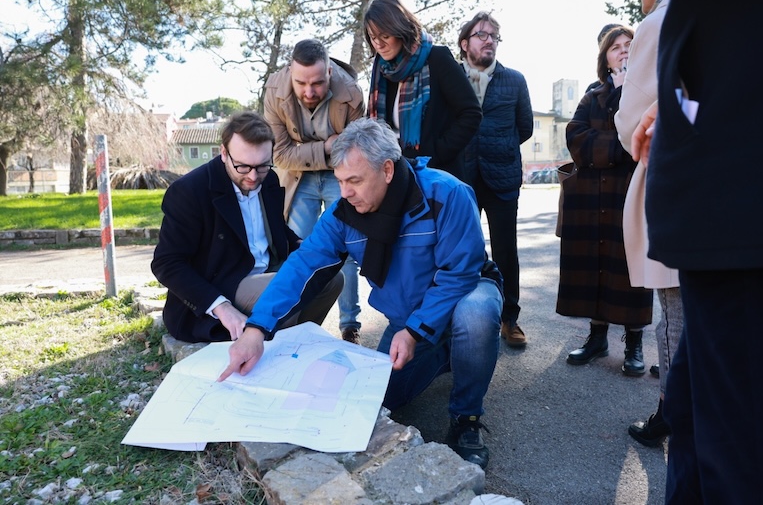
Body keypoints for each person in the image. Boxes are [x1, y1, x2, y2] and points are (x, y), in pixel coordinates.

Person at [217, 117, 503, 469]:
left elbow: (459, 274)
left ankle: (466, 418)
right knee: (381, 401)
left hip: (464, 292)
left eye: (354, 180)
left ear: (386, 170)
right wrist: (256, 329)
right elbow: (302, 266)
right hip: (407, 318)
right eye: (339, 182)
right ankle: (454, 353)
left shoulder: (447, 194)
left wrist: (415, 332)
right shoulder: (344, 213)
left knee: (475, 316)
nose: (345, 193)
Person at [612, 0, 763, 502]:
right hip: (731, 208)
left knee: (747, 457)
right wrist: (673, 103)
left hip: (753, 211)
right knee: (700, 429)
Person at [151, 111, 344, 343]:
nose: (253, 176)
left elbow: (277, 231)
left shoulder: (269, 180)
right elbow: (166, 263)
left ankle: (294, 343)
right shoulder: (190, 191)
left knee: (332, 278)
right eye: (243, 166)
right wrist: (221, 306)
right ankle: (276, 349)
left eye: (262, 166)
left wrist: (303, 247)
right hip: (223, 282)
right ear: (224, 153)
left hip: (268, 268)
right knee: (285, 292)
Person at [556, 25, 654, 376]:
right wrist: (619, 146)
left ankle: (634, 345)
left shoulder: (647, 91)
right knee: (596, 264)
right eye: (616, 47)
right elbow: (576, 137)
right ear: (606, 58)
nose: (624, 50)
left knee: (630, 270)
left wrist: (610, 145)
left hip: (629, 193)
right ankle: (597, 338)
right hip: (592, 196)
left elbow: (643, 139)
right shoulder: (592, 95)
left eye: (630, 44)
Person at [263, 38, 365, 344]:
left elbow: (354, 151)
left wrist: (311, 150)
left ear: (330, 72)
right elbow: (279, 154)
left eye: (317, 83)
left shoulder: (352, 94)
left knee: (344, 248)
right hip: (298, 177)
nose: (309, 92)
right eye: (301, 83)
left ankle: (350, 325)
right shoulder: (274, 91)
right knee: (295, 250)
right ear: (290, 73)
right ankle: (288, 320)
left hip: (339, 175)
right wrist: (327, 146)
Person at [613, 0, 677, 448]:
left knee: (677, 312)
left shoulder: (661, 20)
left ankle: (674, 411)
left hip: (679, 186)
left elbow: (631, 121)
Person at [457, 11, 533, 348]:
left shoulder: (514, 80)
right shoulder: (451, 78)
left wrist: (499, 147)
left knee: (506, 251)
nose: (489, 40)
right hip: (461, 179)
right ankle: (461, 319)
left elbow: (525, 127)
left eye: (494, 36)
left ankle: (509, 319)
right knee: (460, 250)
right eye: (481, 34)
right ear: (465, 43)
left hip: (502, 177)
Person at [363, 0, 482, 181]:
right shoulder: (381, 70)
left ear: (401, 31)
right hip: (395, 175)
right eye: (373, 38)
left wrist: (437, 152)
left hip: (436, 174)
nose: (379, 44)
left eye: (385, 36)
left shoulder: (437, 58)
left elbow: (471, 113)